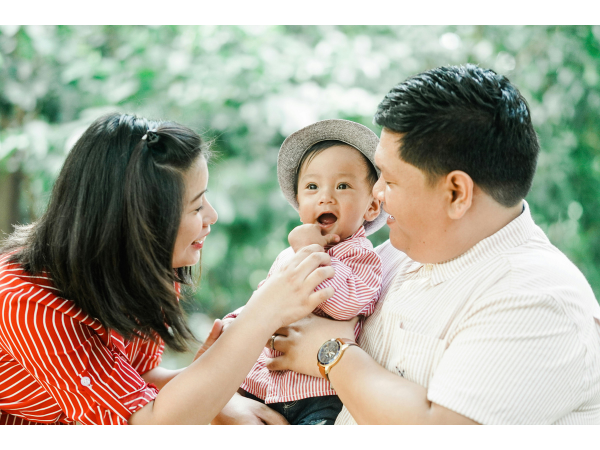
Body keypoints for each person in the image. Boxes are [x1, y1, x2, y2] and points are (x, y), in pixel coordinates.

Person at [214, 64, 600, 425]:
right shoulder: (394, 254)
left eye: (390, 180)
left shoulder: (536, 299)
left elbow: (442, 433)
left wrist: (330, 353)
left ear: (456, 193)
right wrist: (233, 403)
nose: (377, 194)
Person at [0, 113, 337, 425]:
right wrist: (265, 311)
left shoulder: (147, 268)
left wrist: (220, 396)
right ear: (142, 222)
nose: (212, 216)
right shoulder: (29, 303)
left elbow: (134, 376)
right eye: (196, 205)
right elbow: (146, 429)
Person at [222, 119, 387, 425]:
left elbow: (344, 303)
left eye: (343, 186)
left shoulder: (361, 256)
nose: (326, 197)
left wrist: (312, 252)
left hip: (316, 395)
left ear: (372, 207)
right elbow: (265, 299)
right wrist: (236, 322)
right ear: (299, 204)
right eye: (312, 187)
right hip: (262, 385)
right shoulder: (290, 253)